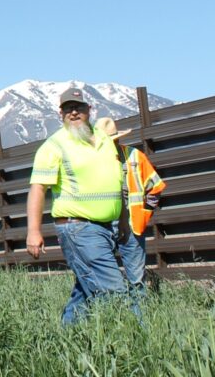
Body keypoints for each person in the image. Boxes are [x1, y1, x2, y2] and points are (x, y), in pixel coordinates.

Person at [26, 87, 130, 324]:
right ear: (60, 114)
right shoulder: (54, 146)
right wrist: (33, 231)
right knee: (113, 291)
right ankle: (130, 338)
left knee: (84, 293)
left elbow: (116, 183)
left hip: (106, 227)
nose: (73, 112)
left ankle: (66, 342)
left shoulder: (104, 140)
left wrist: (122, 220)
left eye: (78, 107)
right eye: (67, 109)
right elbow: (38, 189)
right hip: (78, 229)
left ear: (89, 110)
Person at [95, 116, 166, 292]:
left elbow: (155, 187)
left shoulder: (135, 156)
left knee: (136, 279)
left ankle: (137, 317)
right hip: (101, 227)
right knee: (102, 278)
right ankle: (112, 315)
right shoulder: (91, 162)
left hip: (132, 225)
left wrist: (145, 213)